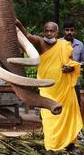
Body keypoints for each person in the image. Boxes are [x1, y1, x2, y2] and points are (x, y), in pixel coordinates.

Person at [16, 19, 83, 154]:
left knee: (68, 116)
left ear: (57, 33)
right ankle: (51, 147)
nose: (49, 33)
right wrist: (18, 24)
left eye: (52, 31)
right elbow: (28, 36)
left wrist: (70, 68)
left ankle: (70, 145)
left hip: (64, 89)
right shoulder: (41, 42)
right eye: (46, 31)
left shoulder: (64, 45)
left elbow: (71, 62)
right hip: (48, 90)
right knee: (49, 118)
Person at [61, 20, 84, 109]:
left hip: (75, 81)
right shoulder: (58, 43)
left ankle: (75, 122)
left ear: (75, 31)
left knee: (76, 105)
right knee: (61, 104)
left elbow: (83, 62)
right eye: (67, 30)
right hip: (61, 79)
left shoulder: (80, 45)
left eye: (71, 30)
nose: (69, 32)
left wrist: (74, 67)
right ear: (63, 31)